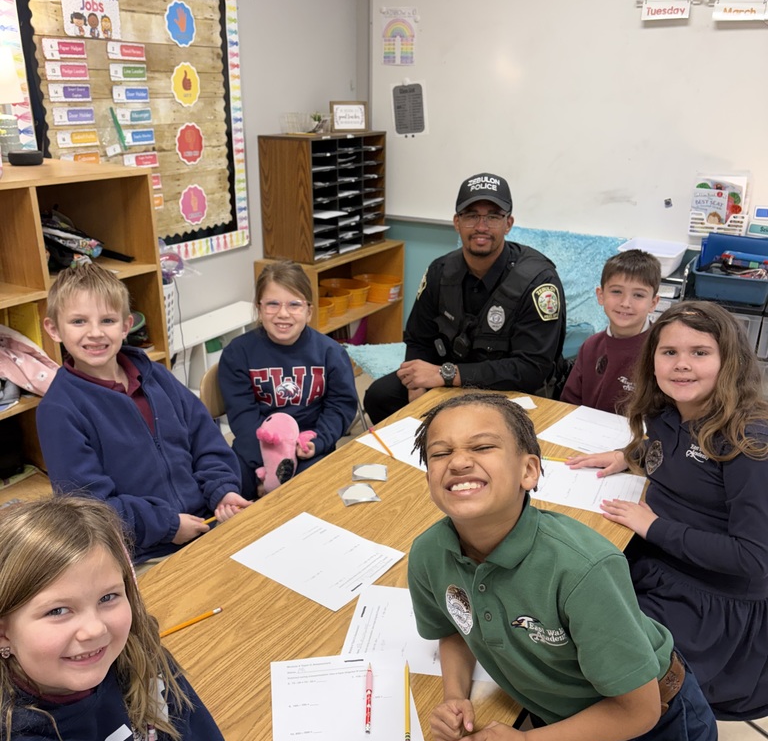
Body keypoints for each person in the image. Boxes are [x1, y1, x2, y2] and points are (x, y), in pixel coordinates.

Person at [407, 392, 768, 741]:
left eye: (483, 446)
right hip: (568, 729)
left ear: (529, 471)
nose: (459, 460)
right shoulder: (429, 554)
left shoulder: (582, 567)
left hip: (659, 731)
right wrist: (454, 697)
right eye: (440, 452)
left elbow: (636, 711)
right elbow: (453, 625)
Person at [0, 495, 309, 741]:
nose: (94, 630)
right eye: (58, 610)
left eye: (109, 597)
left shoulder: (136, 659)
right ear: (4, 630)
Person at [568, 300, 768, 721]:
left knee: (589, 669)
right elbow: (672, 450)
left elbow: (754, 560)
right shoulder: (667, 412)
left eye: (700, 353)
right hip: (656, 564)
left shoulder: (750, 442)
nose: (682, 365)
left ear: (729, 361)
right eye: (669, 352)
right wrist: (631, 454)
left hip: (709, 603)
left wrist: (654, 527)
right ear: (652, 360)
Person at [37, 263, 249, 564]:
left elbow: (206, 440)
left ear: (126, 326)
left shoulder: (157, 377)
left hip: (209, 522)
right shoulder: (59, 411)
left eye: (107, 320)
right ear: (54, 329)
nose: (95, 333)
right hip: (144, 553)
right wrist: (168, 527)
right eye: (79, 321)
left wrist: (222, 491)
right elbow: (89, 508)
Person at [363, 173, 566, 423]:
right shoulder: (440, 271)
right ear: (457, 222)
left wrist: (447, 374)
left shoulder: (538, 282)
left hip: (509, 390)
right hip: (450, 381)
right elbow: (419, 339)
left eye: (493, 216)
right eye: (471, 216)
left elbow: (531, 369)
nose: (481, 227)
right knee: (379, 396)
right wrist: (416, 388)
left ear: (508, 223)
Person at [218, 260, 357, 500]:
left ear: (309, 311)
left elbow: (340, 406)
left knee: (307, 495)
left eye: (294, 304)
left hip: (308, 447)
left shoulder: (331, 353)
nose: (283, 314)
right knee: (228, 489)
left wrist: (319, 441)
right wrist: (268, 468)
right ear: (259, 309)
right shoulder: (237, 353)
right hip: (255, 448)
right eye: (272, 304)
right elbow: (242, 416)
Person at [560, 248, 660, 413]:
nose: (625, 303)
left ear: (653, 303)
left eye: (638, 295)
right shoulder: (590, 346)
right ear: (600, 295)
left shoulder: (661, 350)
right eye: (616, 292)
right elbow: (569, 404)